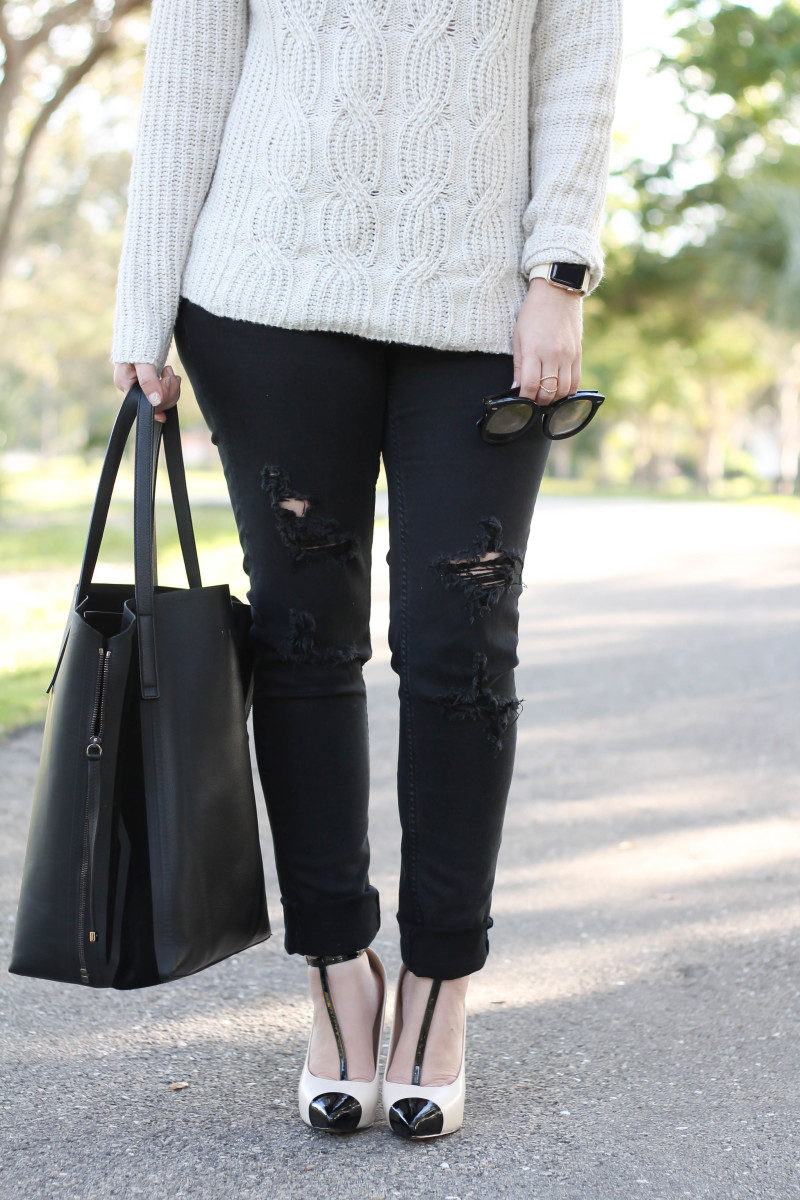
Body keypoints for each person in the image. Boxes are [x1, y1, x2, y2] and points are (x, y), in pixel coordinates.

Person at [110, 0, 623, 1141]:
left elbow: (577, 65)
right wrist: (141, 307)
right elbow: (187, 88)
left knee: (461, 639)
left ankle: (439, 982)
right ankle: (336, 968)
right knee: (301, 642)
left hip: (483, 305)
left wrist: (561, 274)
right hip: (261, 298)